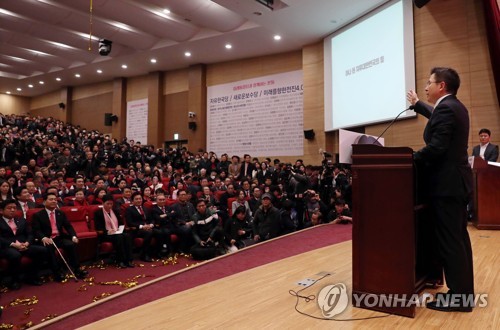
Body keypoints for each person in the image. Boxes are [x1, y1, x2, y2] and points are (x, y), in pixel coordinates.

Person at [406, 67, 474, 312]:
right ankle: (463, 293)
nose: (426, 87)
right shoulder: (455, 106)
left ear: (441, 86)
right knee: (458, 240)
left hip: (447, 185)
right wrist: (418, 105)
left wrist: (408, 158)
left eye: (429, 83)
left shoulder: (447, 108)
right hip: (455, 183)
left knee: (450, 242)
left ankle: (460, 299)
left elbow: (437, 148)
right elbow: (436, 117)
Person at [31, 192, 88, 281]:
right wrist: (43, 238)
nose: (54, 201)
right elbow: (36, 230)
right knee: (49, 248)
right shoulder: (38, 215)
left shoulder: (60, 213)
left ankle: (77, 269)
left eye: (55, 199)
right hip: (47, 239)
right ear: (44, 202)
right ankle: (57, 272)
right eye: (51, 199)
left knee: (71, 244)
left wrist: (73, 236)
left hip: (59, 237)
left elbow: (68, 226)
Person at [0, 199, 47, 289]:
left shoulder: (21, 220)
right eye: (9, 208)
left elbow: (30, 233)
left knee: (42, 250)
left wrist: (27, 243)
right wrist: (13, 244)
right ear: (1, 210)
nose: (13, 210)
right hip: (6, 247)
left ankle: (31, 276)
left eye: (14, 208)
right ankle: (15, 280)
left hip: (23, 245)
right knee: (15, 255)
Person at [94, 194, 134, 268]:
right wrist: (108, 231)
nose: (110, 206)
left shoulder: (115, 211)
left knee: (127, 236)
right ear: (103, 203)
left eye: (111, 204)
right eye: (107, 204)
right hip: (106, 234)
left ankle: (129, 260)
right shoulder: (98, 213)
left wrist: (120, 229)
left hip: (117, 232)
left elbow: (121, 223)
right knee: (119, 237)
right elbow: (98, 227)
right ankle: (120, 260)